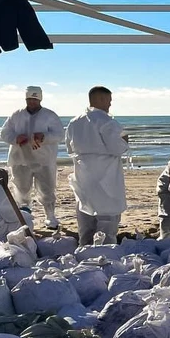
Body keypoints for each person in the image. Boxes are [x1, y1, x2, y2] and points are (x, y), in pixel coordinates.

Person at [65, 86, 128, 245]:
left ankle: (85, 249)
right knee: (107, 218)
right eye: (109, 100)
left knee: (86, 215)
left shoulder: (74, 122)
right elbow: (118, 148)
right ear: (100, 99)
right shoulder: (107, 122)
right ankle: (105, 251)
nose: (110, 105)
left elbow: (69, 148)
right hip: (106, 174)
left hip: (83, 173)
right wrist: (125, 140)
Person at [0, 86, 64, 228]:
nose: (32, 102)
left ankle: (50, 217)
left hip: (44, 160)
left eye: (35, 99)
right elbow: (4, 133)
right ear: (26, 98)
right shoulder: (16, 114)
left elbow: (59, 135)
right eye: (29, 99)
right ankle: (24, 217)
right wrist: (16, 138)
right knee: (22, 189)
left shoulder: (49, 115)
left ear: (40, 99)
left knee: (47, 188)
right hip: (20, 159)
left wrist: (44, 137)